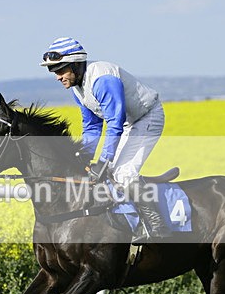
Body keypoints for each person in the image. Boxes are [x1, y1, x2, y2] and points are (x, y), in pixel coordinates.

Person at [40, 36, 169, 239]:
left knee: (123, 174)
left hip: (146, 118)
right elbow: (92, 126)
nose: (57, 76)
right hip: (127, 124)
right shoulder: (78, 88)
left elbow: (114, 122)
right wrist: (85, 157)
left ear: (75, 65)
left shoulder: (102, 79)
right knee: (105, 174)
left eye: (60, 70)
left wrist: (104, 159)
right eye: (53, 71)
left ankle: (156, 225)